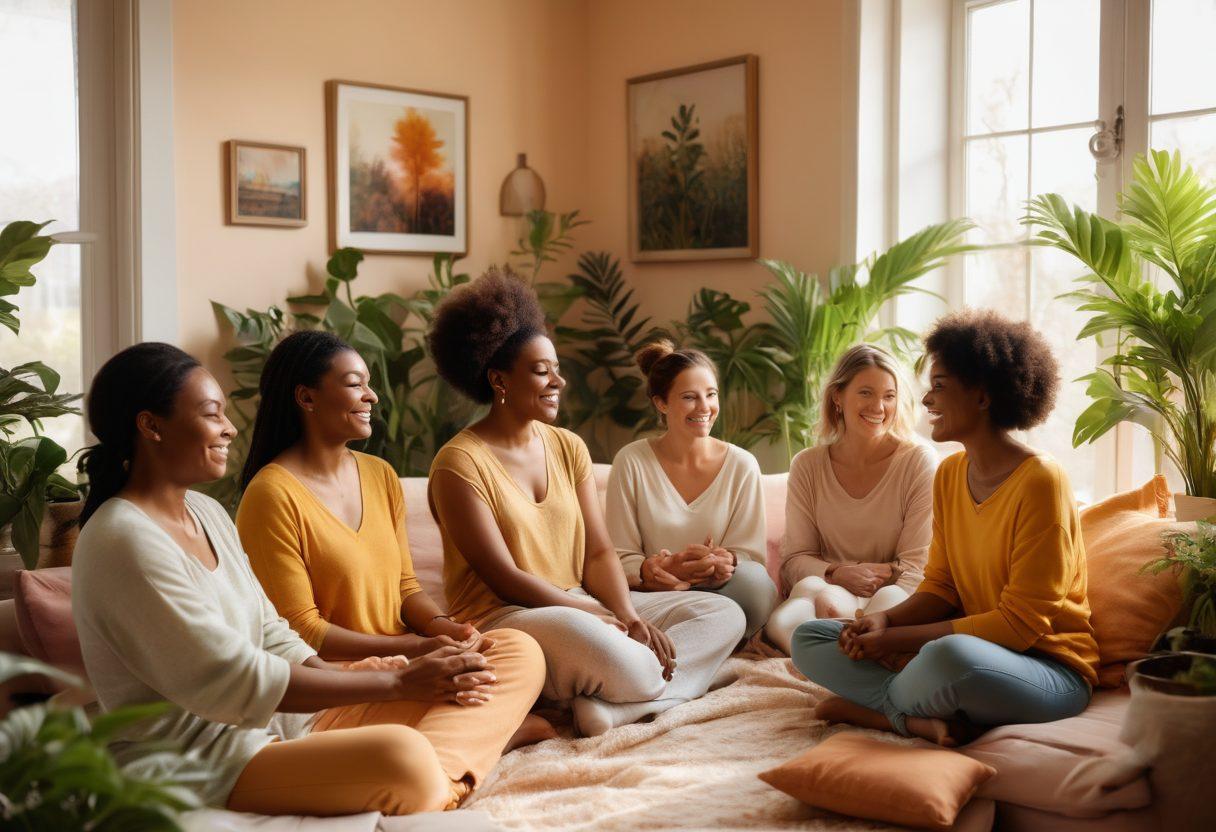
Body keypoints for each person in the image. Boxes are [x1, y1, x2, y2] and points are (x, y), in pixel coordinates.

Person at [72, 343, 544, 817]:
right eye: (212, 414)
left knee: (515, 651)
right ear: (151, 426)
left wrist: (365, 673)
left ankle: (444, 767)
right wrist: (398, 681)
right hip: (203, 765)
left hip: (291, 724)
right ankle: (461, 761)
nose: (230, 428)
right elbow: (233, 679)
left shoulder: (205, 511)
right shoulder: (122, 538)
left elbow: (272, 632)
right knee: (405, 760)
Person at [425, 267, 745, 737]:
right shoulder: (458, 464)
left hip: (581, 602)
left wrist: (628, 615)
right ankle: (677, 682)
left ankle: (617, 709)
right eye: (541, 371)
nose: (558, 381)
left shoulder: (568, 446)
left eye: (557, 369)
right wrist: (598, 616)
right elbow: (504, 577)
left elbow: (598, 552)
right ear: (498, 379)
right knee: (625, 658)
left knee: (723, 614)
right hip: (507, 618)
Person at [790, 312, 1099, 746]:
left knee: (947, 656)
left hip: (1049, 669)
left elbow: (1018, 627)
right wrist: (882, 620)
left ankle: (880, 712)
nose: (926, 400)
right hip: (975, 654)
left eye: (939, 385)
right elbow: (940, 587)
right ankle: (914, 711)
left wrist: (895, 639)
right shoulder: (951, 473)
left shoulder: (1041, 481)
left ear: (982, 396)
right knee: (812, 638)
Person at [237, 330, 553, 744]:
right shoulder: (270, 494)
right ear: (307, 398)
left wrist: (444, 629)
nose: (372, 396)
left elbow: (405, 588)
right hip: (343, 684)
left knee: (518, 648)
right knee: (489, 702)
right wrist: (414, 650)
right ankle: (481, 741)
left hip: (408, 663)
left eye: (369, 384)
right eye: (355, 384)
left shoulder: (380, 475)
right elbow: (302, 631)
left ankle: (464, 737)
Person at [764, 344, 936, 653]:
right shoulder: (807, 465)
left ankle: (840, 652)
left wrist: (881, 576)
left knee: (884, 606)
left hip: (895, 592)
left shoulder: (918, 461)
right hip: (830, 588)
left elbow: (917, 564)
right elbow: (795, 560)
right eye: (866, 393)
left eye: (889, 396)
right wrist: (837, 573)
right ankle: (833, 654)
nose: (878, 407)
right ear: (837, 397)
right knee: (785, 618)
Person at [605, 339, 776, 639]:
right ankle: (702, 639)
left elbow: (749, 555)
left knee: (756, 584)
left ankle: (697, 637)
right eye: (689, 397)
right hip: (656, 594)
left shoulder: (742, 464)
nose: (704, 407)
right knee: (608, 599)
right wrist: (658, 569)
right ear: (661, 403)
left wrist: (724, 561)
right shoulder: (631, 461)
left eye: (711, 394)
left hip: (724, 592)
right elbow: (620, 555)